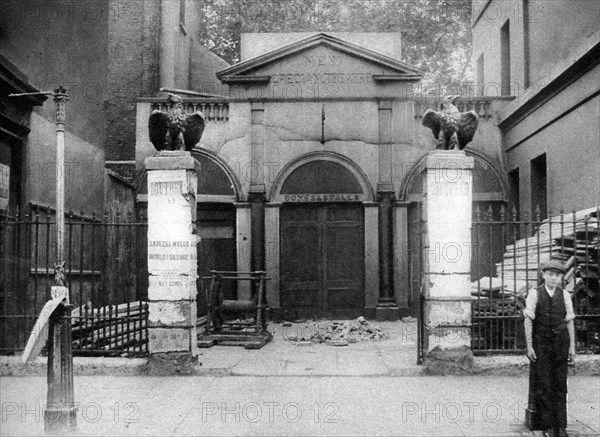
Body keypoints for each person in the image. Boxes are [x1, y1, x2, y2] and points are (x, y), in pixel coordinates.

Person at [523, 259, 576, 437]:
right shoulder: (534, 294)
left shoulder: (565, 296)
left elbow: (569, 322)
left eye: (557, 275)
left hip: (561, 344)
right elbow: (528, 321)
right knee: (545, 385)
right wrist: (529, 346)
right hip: (542, 344)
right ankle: (547, 426)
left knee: (561, 385)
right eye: (550, 275)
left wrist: (572, 348)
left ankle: (560, 426)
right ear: (544, 275)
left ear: (561, 277)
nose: (553, 279)